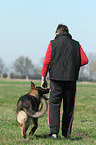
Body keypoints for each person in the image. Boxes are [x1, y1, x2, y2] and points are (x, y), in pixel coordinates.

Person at [41, 24, 88, 140]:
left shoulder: (53, 43)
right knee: (68, 107)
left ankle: (53, 133)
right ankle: (66, 134)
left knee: (54, 105)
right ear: (67, 32)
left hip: (55, 80)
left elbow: (47, 62)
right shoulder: (76, 44)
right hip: (71, 79)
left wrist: (43, 77)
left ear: (57, 33)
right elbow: (85, 60)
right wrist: (73, 64)